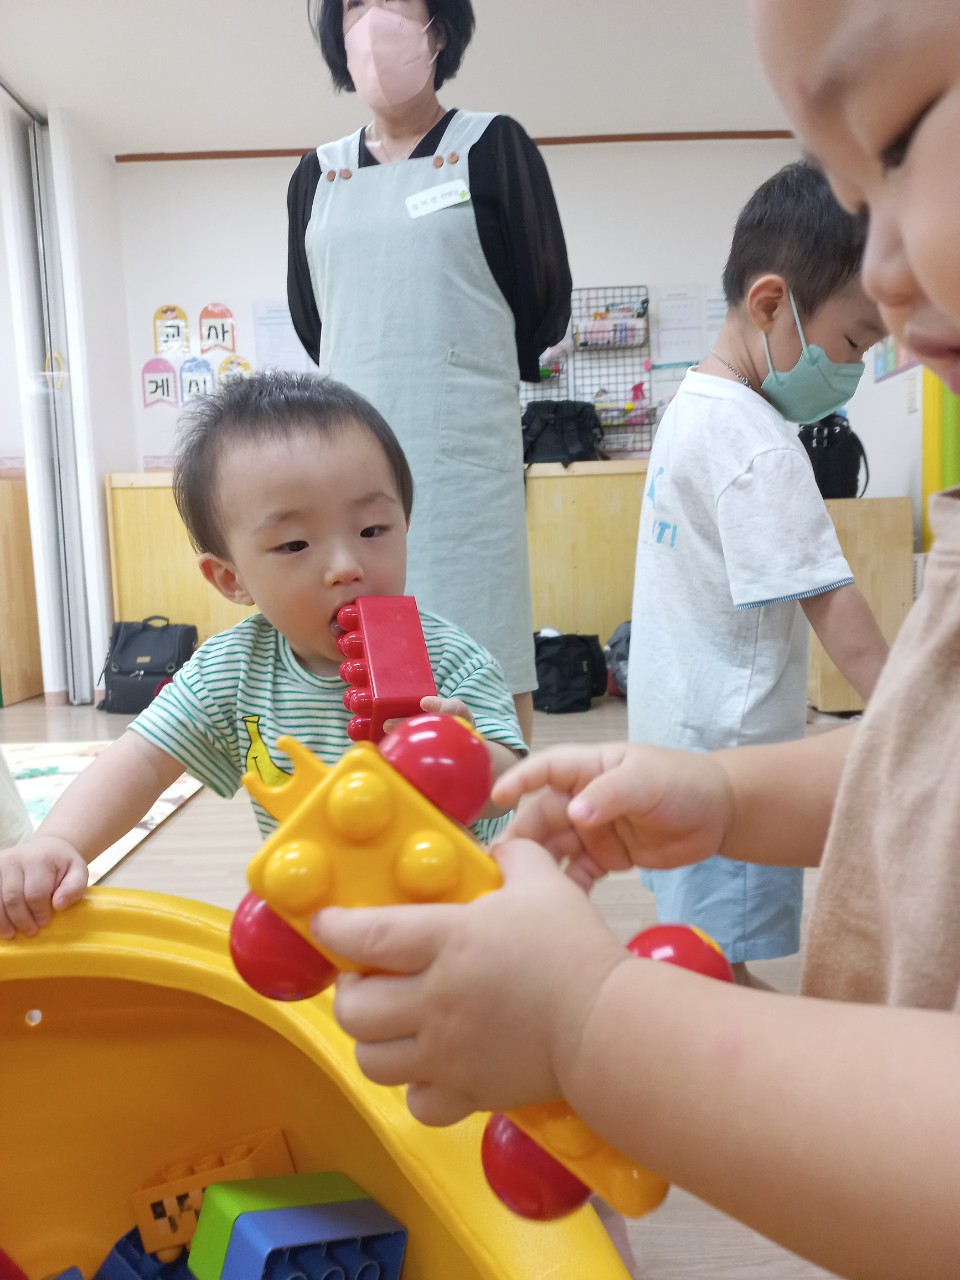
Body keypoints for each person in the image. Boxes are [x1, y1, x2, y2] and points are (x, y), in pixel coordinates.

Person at [302, 4, 960, 1276]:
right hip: (713, 741)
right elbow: (932, 753)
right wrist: (730, 794)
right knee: (721, 947)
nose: (883, 271)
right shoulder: (737, 425)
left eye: (901, 142)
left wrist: (590, 1020)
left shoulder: (705, 407)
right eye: (853, 195)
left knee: (719, 956)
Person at [0, 372, 527, 940]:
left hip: (455, 920)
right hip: (318, 917)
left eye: (374, 529)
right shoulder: (231, 670)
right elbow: (142, 761)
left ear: (405, 525)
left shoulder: (450, 660)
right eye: (295, 544)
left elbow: (510, 784)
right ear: (231, 579)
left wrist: (462, 759)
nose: (346, 566)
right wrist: (59, 841)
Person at [629, 160, 890, 986]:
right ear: (771, 304)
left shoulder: (690, 407)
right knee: (720, 964)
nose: (852, 370)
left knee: (699, 942)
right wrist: (907, 709)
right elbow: (831, 600)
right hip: (733, 755)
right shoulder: (758, 443)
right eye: (854, 343)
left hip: (672, 733)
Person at [288, 0, 573, 744]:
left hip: (463, 462)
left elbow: (542, 302)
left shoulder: (492, 147)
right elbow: (315, 322)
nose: (372, 21)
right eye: (355, 6)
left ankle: (500, 808)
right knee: (363, 663)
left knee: (484, 655)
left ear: (437, 30)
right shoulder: (316, 174)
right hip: (350, 464)